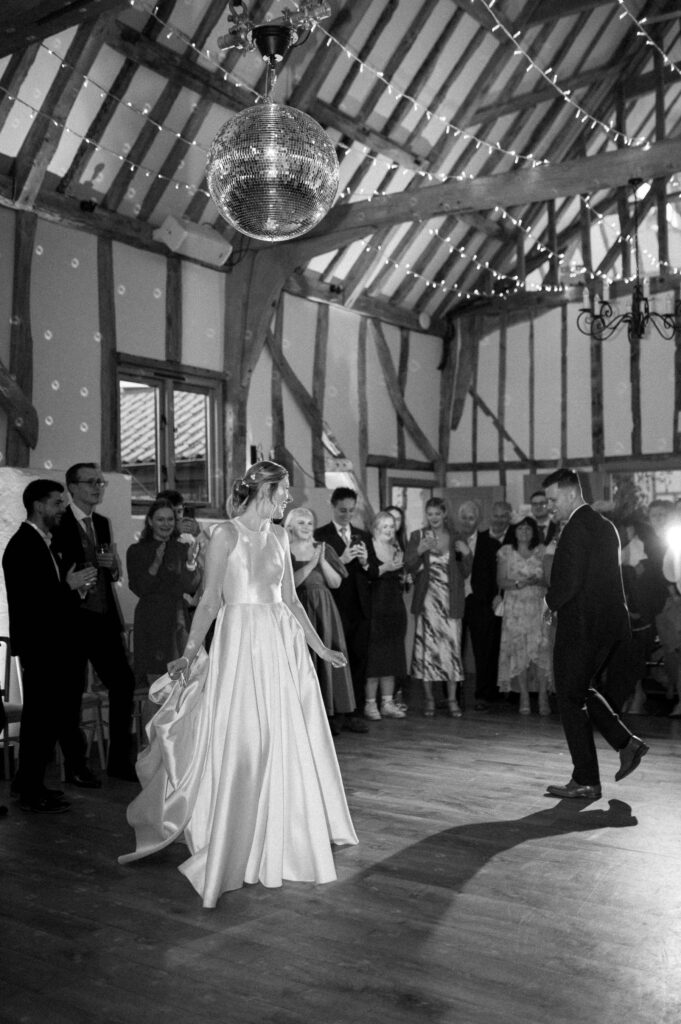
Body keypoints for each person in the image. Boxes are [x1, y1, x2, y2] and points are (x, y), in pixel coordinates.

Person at [119, 461, 358, 907]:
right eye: (283, 490)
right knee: (247, 739)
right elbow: (209, 601)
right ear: (264, 490)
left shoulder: (282, 536)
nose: (288, 498)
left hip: (279, 645)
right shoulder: (225, 535)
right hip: (240, 642)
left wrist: (320, 649)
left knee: (282, 737)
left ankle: (285, 829)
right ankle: (235, 831)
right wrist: (190, 653)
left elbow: (289, 600)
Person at [543, 469, 649, 799]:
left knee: (569, 696)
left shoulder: (576, 527)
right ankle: (626, 744)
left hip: (583, 625)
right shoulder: (604, 526)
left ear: (572, 494)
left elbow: (571, 581)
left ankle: (588, 778)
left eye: (552, 499)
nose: (549, 507)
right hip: (607, 625)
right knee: (578, 691)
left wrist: (548, 603)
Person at [2, 480, 96, 813]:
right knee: (39, 721)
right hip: (40, 646)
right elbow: (32, 602)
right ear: (39, 506)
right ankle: (29, 790)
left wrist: (76, 589)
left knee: (46, 719)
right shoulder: (22, 545)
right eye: (58, 503)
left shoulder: (46, 543)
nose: (61, 509)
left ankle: (30, 783)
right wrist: (68, 586)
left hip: (55, 644)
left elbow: (53, 595)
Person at [51, 463, 136, 783]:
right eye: (90, 482)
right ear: (71, 487)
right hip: (71, 622)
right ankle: (76, 765)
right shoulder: (58, 522)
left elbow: (110, 575)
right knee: (70, 694)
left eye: (100, 482)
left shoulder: (100, 522)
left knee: (123, 683)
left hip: (102, 619)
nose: (98, 487)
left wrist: (113, 566)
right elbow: (52, 572)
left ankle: (118, 761)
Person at [285, 506, 355, 735]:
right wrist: (311, 564)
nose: (307, 527)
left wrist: (322, 560)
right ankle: (305, 715)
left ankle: (332, 713)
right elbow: (289, 585)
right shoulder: (284, 549)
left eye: (309, 523)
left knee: (328, 654)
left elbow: (336, 583)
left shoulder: (323, 548)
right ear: (291, 525)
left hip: (324, 608)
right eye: (301, 522)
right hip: (297, 609)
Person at [406, 498, 471, 718]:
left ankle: (452, 700)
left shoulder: (456, 537)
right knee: (427, 652)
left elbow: (465, 571)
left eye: (437, 513)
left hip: (450, 602)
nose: (433, 518)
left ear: (444, 514)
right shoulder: (417, 536)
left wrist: (466, 553)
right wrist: (420, 550)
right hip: (427, 603)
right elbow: (410, 566)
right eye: (430, 514)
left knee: (451, 652)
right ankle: (430, 700)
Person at [315, 487, 372, 734]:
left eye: (351, 510)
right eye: (342, 510)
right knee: (336, 660)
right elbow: (318, 575)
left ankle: (354, 713)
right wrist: (343, 558)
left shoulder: (363, 534)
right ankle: (335, 714)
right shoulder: (321, 536)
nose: (348, 514)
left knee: (359, 659)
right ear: (333, 506)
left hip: (360, 607)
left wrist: (366, 562)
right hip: (334, 605)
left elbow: (373, 572)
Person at [126, 499, 201, 687]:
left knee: (183, 684)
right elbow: (139, 588)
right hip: (151, 620)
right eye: (160, 520)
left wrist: (191, 563)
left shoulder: (181, 548)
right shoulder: (136, 550)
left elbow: (190, 586)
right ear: (150, 521)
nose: (166, 524)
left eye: (170, 519)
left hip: (177, 618)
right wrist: (156, 562)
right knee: (158, 686)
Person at [496, 517, 552, 716]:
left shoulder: (542, 550)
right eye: (520, 528)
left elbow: (550, 580)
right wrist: (519, 583)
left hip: (540, 606)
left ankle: (544, 697)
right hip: (515, 608)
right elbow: (501, 581)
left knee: (542, 650)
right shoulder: (505, 552)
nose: (524, 531)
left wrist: (538, 580)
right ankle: (524, 697)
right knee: (518, 651)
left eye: (528, 528)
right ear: (514, 530)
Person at [458, 500, 503, 710]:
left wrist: (495, 597)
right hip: (456, 602)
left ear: (478, 520)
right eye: (464, 517)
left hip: (481, 603)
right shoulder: (451, 541)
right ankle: (453, 696)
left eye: (471, 517)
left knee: (483, 651)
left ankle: (484, 695)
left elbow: (496, 577)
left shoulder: (491, 543)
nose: (468, 522)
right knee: (454, 649)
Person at [364, 511, 408, 720]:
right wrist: (386, 567)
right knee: (375, 657)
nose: (389, 530)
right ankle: (370, 703)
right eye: (385, 527)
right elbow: (367, 574)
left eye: (392, 526)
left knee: (392, 656)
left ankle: (387, 702)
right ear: (375, 529)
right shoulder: (369, 547)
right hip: (375, 606)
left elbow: (401, 578)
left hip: (394, 606)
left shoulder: (397, 548)